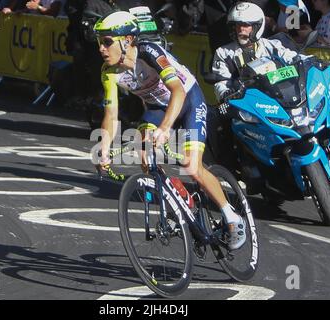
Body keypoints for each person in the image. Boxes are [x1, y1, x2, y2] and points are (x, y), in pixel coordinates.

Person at [94, 11, 247, 250]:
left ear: (126, 41)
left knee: (192, 165)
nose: (102, 48)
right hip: (157, 107)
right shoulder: (109, 72)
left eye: (107, 41)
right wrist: (103, 148)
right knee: (145, 156)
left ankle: (232, 217)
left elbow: (177, 90)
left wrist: (165, 129)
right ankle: (180, 196)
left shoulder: (150, 52)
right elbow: (111, 115)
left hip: (187, 99)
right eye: (99, 42)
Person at [211, 2, 305, 101]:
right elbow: (221, 82)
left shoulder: (272, 46)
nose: (240, 30)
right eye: (237, 25)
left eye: (246, 25)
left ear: (257, 27)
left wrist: (309, 60)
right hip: (246, 105)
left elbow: (293, 57)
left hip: (276, 99)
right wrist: (225, 93)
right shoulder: (223, 53)